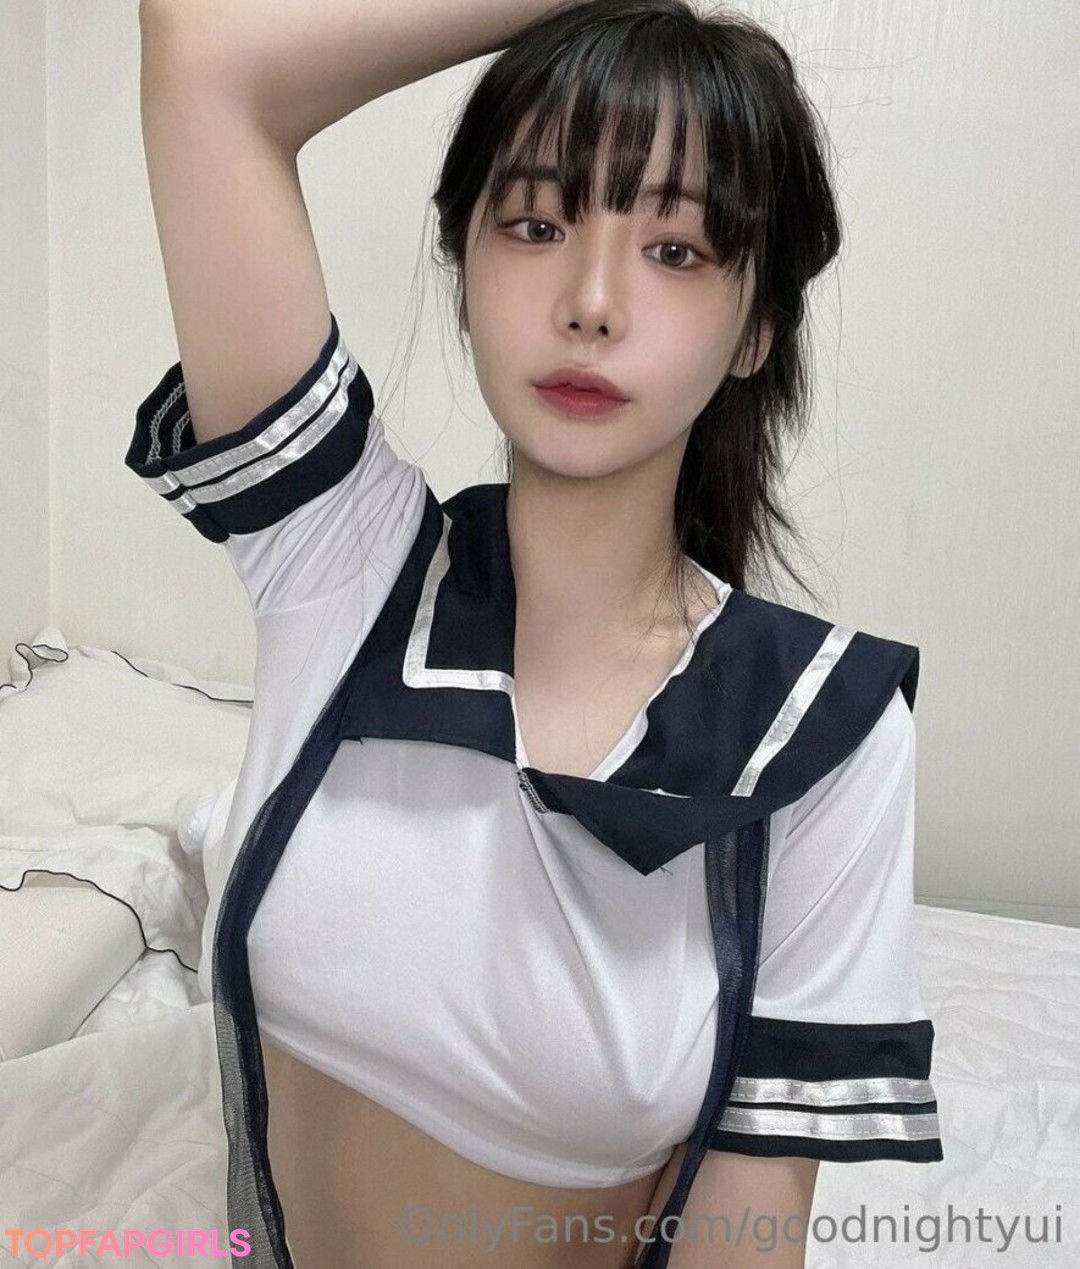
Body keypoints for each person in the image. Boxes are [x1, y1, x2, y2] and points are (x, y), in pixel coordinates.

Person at [129, 0, 944, 1265]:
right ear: (463, 270)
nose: (593, 302)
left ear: (757, 330)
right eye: (536, 224)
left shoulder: (819, 731)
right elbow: (204, 57)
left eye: (675, 249)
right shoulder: (343, 567)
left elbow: (745, 1227)